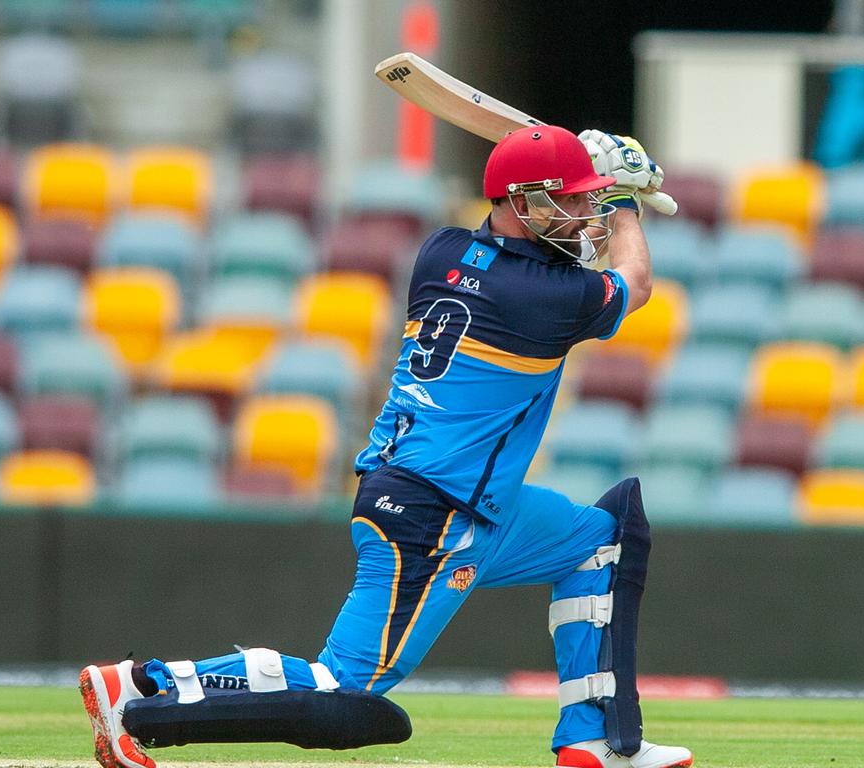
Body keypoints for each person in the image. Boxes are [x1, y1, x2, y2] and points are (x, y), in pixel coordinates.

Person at [80, 125, 694, 768]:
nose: (580, 215)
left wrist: (574, 180)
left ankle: (592, 740)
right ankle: (145, 705)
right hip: (437, 512)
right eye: (565, 201)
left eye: (584, 201)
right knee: (346, 690)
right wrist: (623, 200)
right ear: (520, 203)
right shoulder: (545, 299)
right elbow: (636, 283)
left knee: (599, 540)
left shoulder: (442, 250)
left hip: (457, 497)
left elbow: (534, 251)